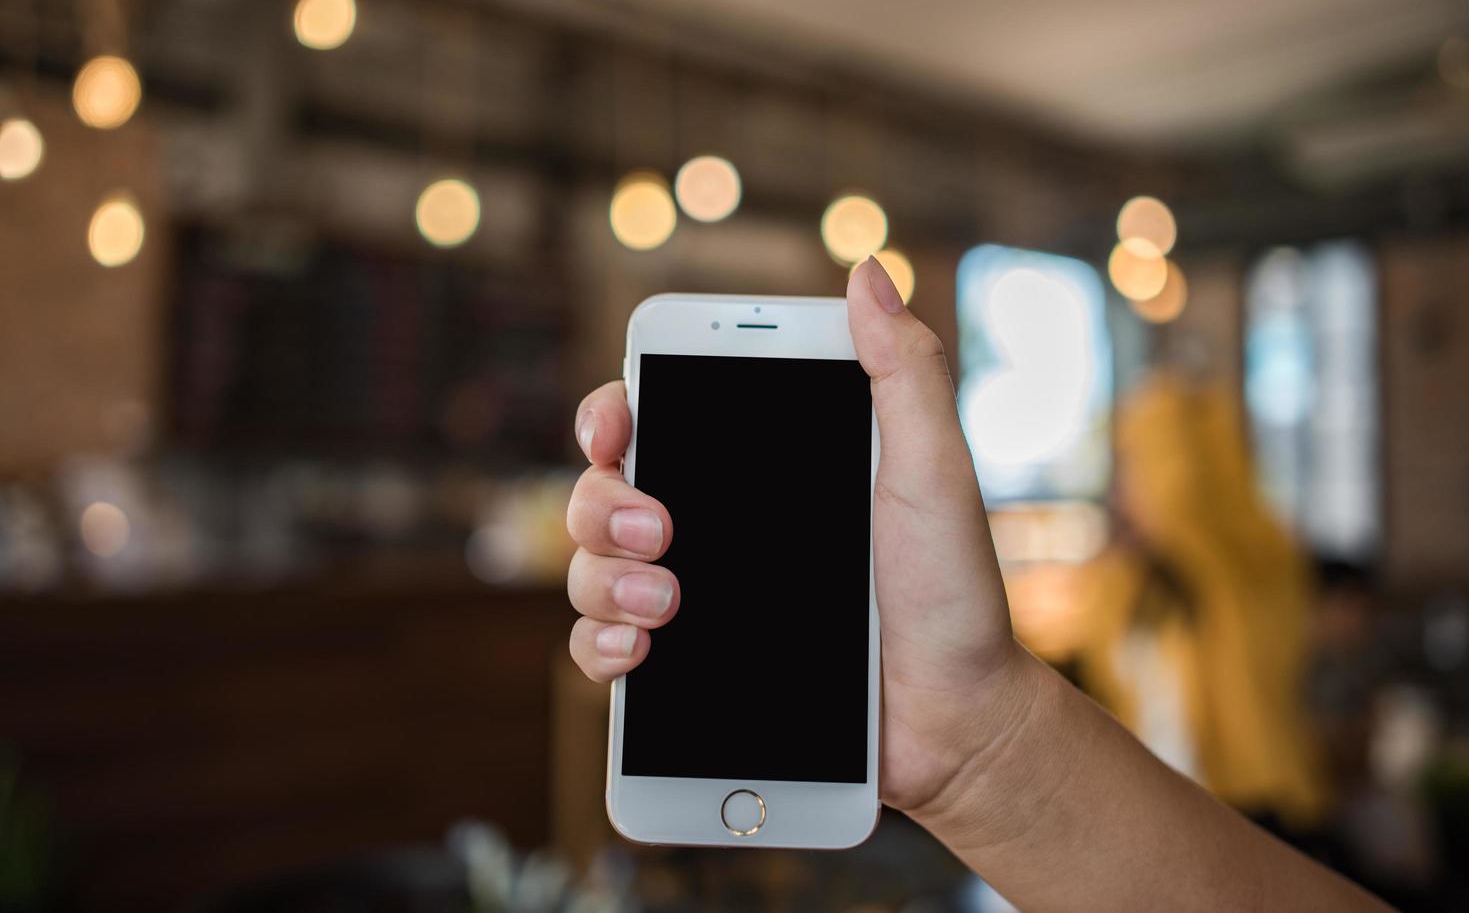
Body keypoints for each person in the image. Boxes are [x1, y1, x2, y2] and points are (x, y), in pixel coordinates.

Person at [564, 257, 1389, 911]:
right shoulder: (1125, 585)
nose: (1123, 486)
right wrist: (974, 739)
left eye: (1143, 467)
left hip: (1264, 820)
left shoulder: (1246, 573)